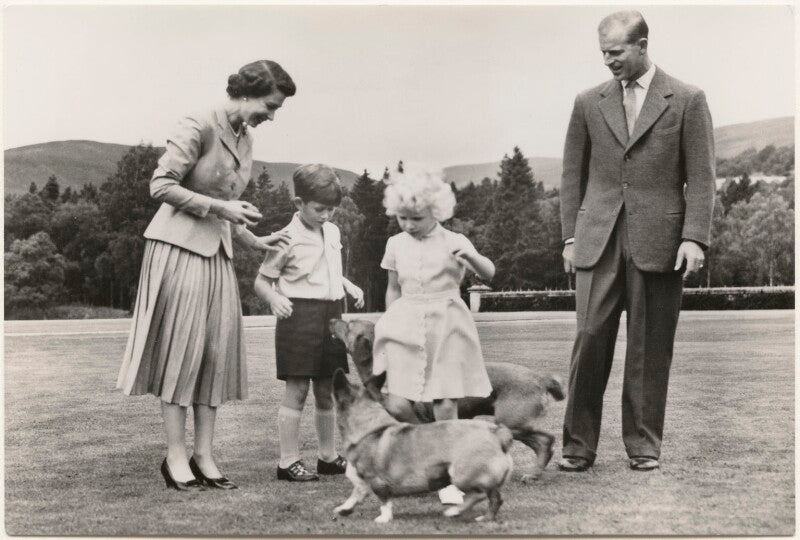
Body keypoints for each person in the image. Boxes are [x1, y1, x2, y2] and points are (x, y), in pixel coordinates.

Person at [116, 60, 296, 491]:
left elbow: (224, 203)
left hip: (217, 254)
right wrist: (220, 209)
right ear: (248, 93)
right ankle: (175, 456)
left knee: (214, 355)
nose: (270, 116)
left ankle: (205, 456)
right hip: (177, 249)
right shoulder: (198, 123)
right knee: (184, 352)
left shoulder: (245, 137)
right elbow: (160, 186)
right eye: (269, 106)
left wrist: (254, 240)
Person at [558, 11, 715, 472]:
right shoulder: (588, 102)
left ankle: (644, 446)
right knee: (588, 339)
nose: (607, 61)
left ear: (642, 45)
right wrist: (570, 235)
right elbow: (572, 174)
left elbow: (702, 178)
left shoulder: (687, 99)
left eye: (616, 52)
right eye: (602, 52)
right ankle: (577, 445)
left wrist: (694, 239)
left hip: (661, 243)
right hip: (596, 241)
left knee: (650, 346)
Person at [372, 171, 494, 504]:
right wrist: (391, 319)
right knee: (396, 402)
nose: (408, 225)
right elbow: (392, 287)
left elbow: (490, 273)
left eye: (416, 218)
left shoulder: (455, 240)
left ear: (436, 212)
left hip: (447, 321)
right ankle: (428, 448)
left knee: (444, 401)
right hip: (407, 319)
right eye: (402, 218)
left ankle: (449, 477)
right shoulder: (395, 244)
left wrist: (470, 257)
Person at [255, 164, 365, 482]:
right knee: (298, 389)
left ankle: (328, 457)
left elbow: (326, 269)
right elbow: (261, 281)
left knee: (328, 388)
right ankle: (287, 461)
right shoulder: (285, 238)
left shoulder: (332, 231)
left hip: (332, 315)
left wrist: (348, 285)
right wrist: (274, 299)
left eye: (331, 209)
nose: (326, 215)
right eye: (319, 209)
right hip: (298, 317)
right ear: (299, 203)